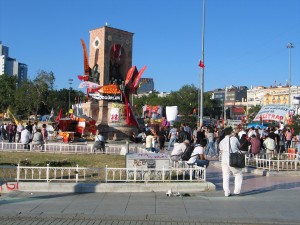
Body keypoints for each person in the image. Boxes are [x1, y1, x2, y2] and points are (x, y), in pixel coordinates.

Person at [219, 127, 243, 197]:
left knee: (225, 176)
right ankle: (237, 191)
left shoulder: (222, 141)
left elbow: (221, 150)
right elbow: (239, 146)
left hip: (224, 160)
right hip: (233, 159)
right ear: (230, 132)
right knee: (238, 174)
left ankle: (226, 192)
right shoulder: (234, 139)